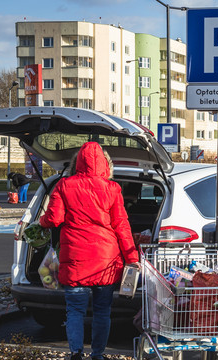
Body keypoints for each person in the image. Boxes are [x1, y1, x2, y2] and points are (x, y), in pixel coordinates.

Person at [39, 142, 138, 360]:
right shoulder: (112, 189)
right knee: (103, 311)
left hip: (75, 259)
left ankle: (76, 352)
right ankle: (98, 354)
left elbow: (54, 219)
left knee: (75, 310)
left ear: (77, 163)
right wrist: (132, 257)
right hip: (105, 261)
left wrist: (42, 221)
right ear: (104, 164)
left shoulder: (64, 185)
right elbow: (122, 225)